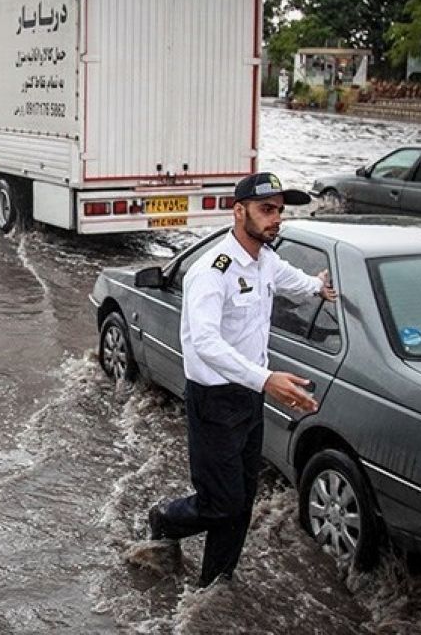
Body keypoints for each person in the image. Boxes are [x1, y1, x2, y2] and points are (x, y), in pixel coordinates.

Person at [148, 171, 338, 588]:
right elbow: (205, 343)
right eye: (266, 210)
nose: (275, 219)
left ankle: (216, 584)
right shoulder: (211, 271)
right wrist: (267, 379)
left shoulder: (265, 259)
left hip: (250, 396)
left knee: (242, 500)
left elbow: (294, 280)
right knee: (220, 502)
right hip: (214, 401)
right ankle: (164, 520)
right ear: (239, 211)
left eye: (279, 212)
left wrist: (319, 287)